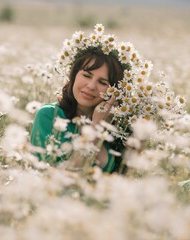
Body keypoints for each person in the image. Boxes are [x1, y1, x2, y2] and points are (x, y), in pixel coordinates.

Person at [30, 24, 131, 174]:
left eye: (102, 82)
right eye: (87, 75)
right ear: (74, 75)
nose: (91, 86)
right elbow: (64, 175)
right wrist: (96, 126)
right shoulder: (49, 116)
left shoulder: (117, 128)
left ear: (115, 92)